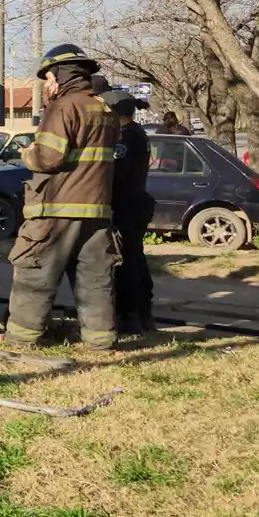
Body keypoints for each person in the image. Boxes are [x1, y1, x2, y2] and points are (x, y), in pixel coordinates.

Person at [5, 43, 121, 351]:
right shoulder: (104, 109)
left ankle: (22, 338)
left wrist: (28, 154)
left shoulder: (63, 107)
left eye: (47, 79)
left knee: (35, 271)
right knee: (95, 277)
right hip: (96, 210)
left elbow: (49, 157)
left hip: (57, 208)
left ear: (59, 76)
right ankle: (100, 341)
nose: (46, 86)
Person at [103, 90, 156, 334]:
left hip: (126, 207)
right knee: (136, 260)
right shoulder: (137, 133)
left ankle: (131, 318)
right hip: (136, 204)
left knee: (126, 264)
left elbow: (116, 174)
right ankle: (143, 315)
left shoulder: (125, 138)